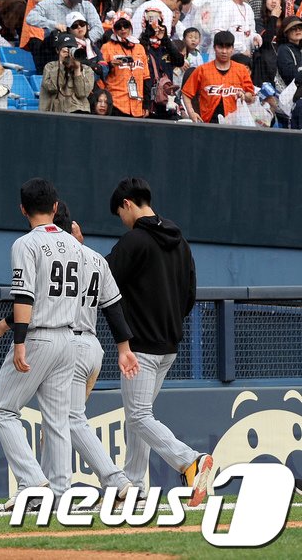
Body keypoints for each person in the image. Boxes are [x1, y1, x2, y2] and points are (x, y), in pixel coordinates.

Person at [0, 200, 138, 505]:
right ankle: (70, 488)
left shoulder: (42, 248)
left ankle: (44, 486)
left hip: (63, 339)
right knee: (66, 419)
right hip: (90, 343)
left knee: (57, 417)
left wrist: (3, 327)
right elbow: (114, 307)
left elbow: (33, 300)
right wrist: (124, 347)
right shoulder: (91, 256)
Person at [106, 178, 218, 506]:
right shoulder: (180, 240)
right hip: (169, 345)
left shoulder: (134, 241)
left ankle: (190, 461)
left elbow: (103, 281)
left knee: (139, 416)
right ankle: (135, 487)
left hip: (140, 346)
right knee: (140, 416)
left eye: (119, 213)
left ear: (127, 203)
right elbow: (190, 295)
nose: (122, 220)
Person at [0, 178, 81, 507]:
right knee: (57, 419)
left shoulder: (25, 244)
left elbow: (25, 295)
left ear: (23, 209)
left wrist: (18, 342)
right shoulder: (75, 244)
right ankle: (60, 492)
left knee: (4, 411)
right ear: (55, 207)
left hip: (39, 335)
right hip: (68, 336)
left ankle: (32, 481)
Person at [181, 31, 257, 123]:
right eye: (220, 47)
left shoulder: (241, 70)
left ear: (232, 48)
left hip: (235, 123)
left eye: (228, 47)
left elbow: (251, 96)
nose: (224, 51)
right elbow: (186, 93)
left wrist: (244, 96)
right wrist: (191, 112)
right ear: (214, 48)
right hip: (208, 122)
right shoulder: (203, 70)